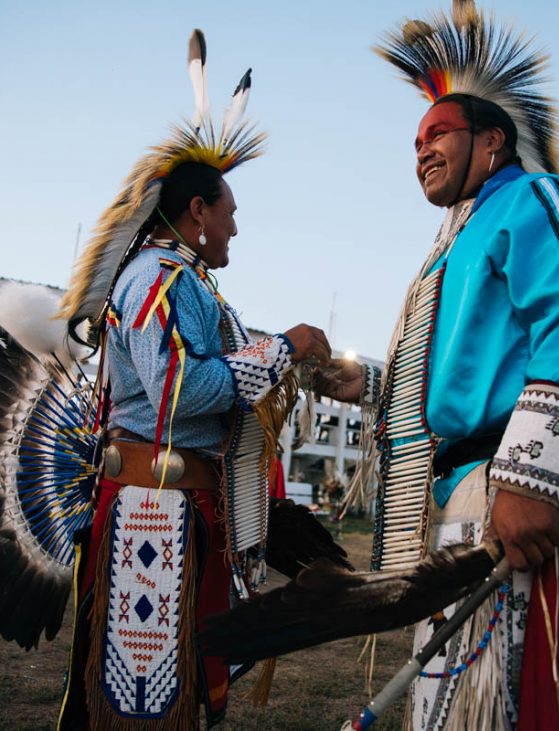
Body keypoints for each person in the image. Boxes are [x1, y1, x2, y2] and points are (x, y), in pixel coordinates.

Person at [319, 4, 559, 726]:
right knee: (456, 707)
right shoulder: (449, 246)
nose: (421, 150)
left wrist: (528, 480)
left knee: (511, 704)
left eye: (437, 135)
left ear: (491, 140)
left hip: (517, 496)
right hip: (466, 499)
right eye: (414, 141)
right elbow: (455, 381)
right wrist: (367, 386)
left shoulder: (535, 200)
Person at [52, 33, 332, 729]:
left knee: (177, 688)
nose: (236, 226)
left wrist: (297, 359)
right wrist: (284, 346)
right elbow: (186, 389)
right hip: (152, 510)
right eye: (228, 210)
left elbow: (220, 376)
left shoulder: (187, 283)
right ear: (198, 212)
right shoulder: (156, 279)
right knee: (145, 700)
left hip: (183, 510)